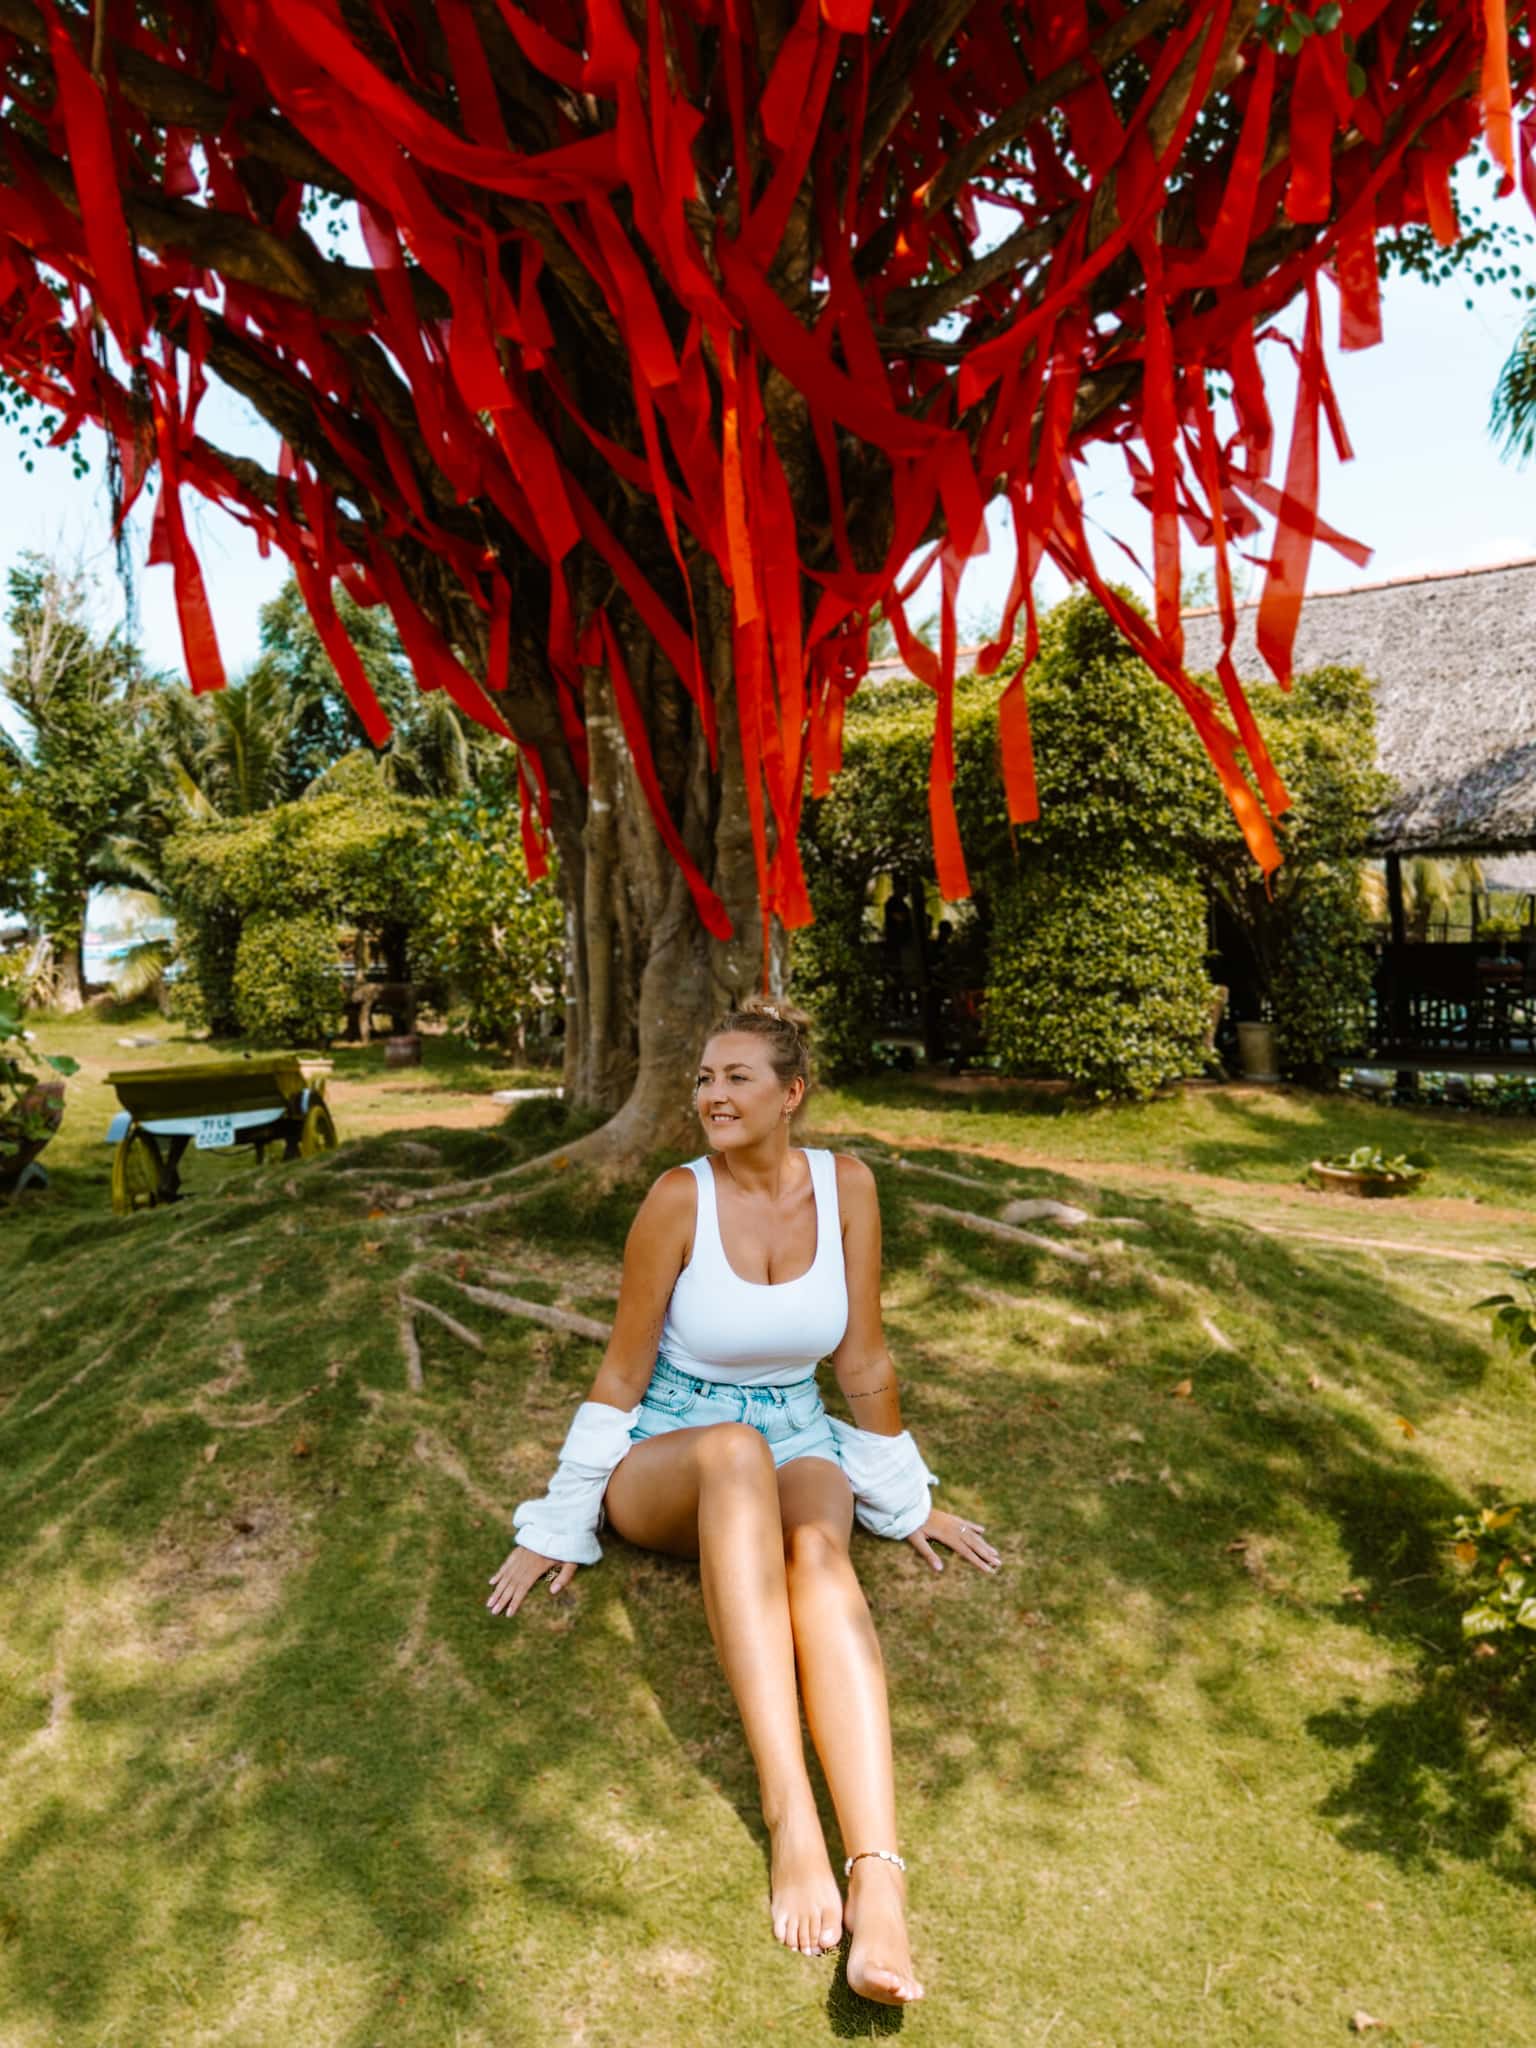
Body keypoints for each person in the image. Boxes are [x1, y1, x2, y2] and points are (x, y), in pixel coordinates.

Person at [485, 993, 1000, 2007]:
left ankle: (879, 1875)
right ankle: (790, 1819)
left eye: (736, 1078)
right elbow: (621, 1374)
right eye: (704, 1079)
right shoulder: (676, 1199)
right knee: (732, 1453)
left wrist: (907, 1498)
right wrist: (557, 1520)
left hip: (797, 1431)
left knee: (822, 1546)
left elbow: (860, 1356)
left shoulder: (847, 1185)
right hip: (674, 1454)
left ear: (792, 1093)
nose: (711, 1094)